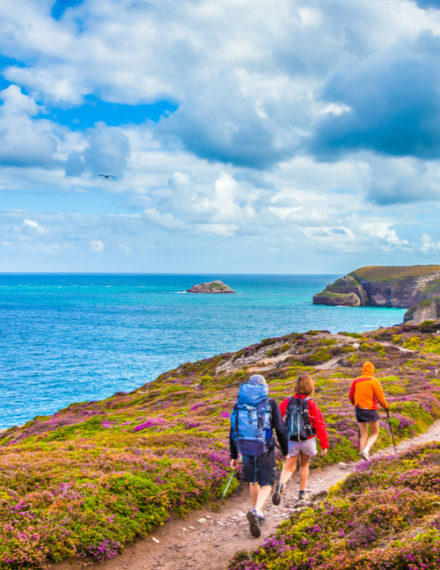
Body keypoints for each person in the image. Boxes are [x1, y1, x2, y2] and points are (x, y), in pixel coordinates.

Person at [230, 374, 288, 538]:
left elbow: (233, 430)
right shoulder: (270, 403)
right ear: (264, 387)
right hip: (265, 449)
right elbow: (280, 429)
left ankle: (258, 513)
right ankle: (257, 512)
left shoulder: (239, 404)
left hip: (245, 449)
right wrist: (285, 451)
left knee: (253, 480)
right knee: (267, 483)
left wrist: (234, 455)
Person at [276, 374, 329, 504]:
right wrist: (324, 444)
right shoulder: (311, 403)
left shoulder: (287, 402)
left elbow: (277, 418)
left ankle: (281, 485)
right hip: (308, 439)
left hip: (291, 439)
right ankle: (302, 493)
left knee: (289, 468)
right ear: (310, 387)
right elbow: (319, 424)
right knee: (304, 465)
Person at [349, 360, 389, 461]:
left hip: (358, 410)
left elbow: (350, 395)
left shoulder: (356, 380)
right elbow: (380, 398)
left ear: (363, 370)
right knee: (375, 432)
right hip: (370, 410)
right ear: (372, 370)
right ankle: (366, 451)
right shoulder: (374, 381)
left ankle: (362, 460)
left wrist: (355, 404)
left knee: (363, 434)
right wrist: (386, 407)